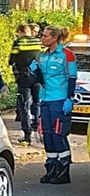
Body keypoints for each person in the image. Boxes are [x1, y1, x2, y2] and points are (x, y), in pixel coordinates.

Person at [31, 25, 78, 184]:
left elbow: (72, 78)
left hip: (60, 100)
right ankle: (51, 169)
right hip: (45, 99)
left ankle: (63, 172)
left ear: (55, 38)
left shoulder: (67, 55)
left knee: (59, 135)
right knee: (48, 135)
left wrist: (69, 98)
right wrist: (35, 71)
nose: (42, 38)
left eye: (45, 36)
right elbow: (42, 80)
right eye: (42, 35)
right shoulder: (43, 56)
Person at [8, 23, 43, 145]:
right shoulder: (39, 43)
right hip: (38, 76)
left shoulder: (19, 42)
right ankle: (39, 130)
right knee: (38, 103)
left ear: (20, 32)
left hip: (24, 77)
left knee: (24, 106)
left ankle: (27, 135)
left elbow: (11, 61)